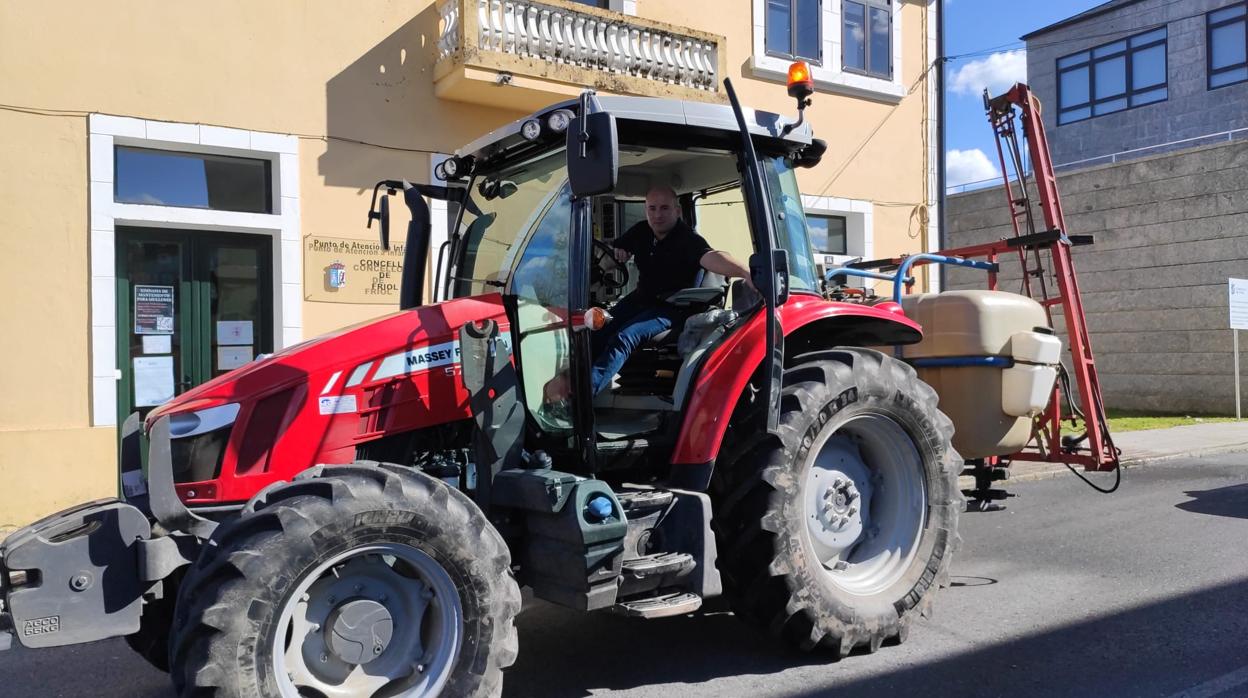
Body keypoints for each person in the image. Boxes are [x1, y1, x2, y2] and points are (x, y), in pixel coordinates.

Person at [546, 186, 754, 402]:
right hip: (640, 299)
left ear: (677, 211)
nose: (657, 215)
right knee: (596, 328)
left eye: (664, 208)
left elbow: (713, 257)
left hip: (673, 306)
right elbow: (607, 259)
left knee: (624, 337)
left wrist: (744, 272)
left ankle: (582, 399)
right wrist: (616, 256)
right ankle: (566, 383)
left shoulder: (688, 239)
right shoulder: (641, 231)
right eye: (652, 208)